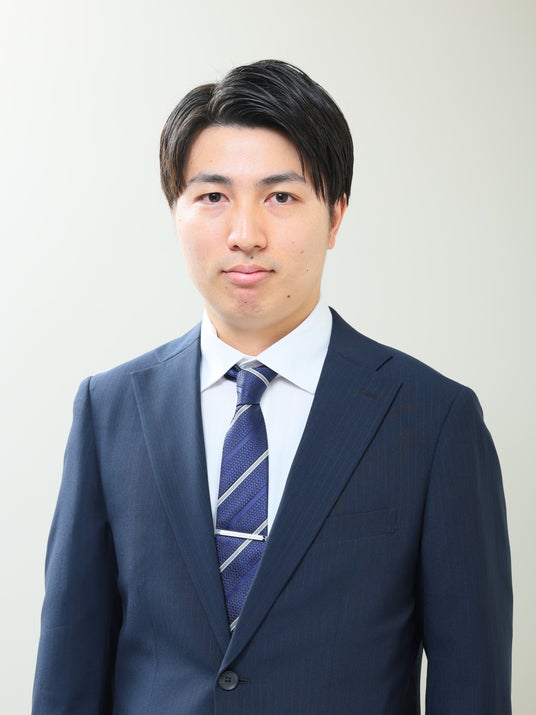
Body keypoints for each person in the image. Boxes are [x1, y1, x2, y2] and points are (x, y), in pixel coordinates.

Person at [32, 59, 512, 714]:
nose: (245, 235)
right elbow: (68, 673)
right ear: (175, 211)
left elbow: (472, 683)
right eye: (213, 197)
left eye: (280, 197)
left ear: (336, 216)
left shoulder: (433, 419)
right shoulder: (110, 408)